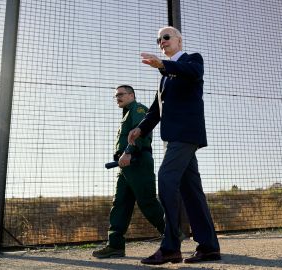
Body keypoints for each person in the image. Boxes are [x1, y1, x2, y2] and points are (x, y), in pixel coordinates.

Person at [128, 26, 220, 265]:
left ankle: (170, 247)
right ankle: (209, 247)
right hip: (173, 138)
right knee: (192, 191)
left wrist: (163, 65)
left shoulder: (192, 61)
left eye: (166, 37)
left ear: (179, 40)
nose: (162, 42)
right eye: (159, 40)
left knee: (166, 179)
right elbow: (156, 110)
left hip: (186, 135)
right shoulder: (165, 79)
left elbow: (191, 72)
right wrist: (140, 129)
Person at [92, 85, 165, 259]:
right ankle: (115, 245)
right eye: (116, 96)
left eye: (121, 94)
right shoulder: (126, 114)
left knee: (147, 201)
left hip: (138, 161)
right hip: (125, 164)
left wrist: (129, 152)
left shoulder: (139, 109)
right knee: (120, 203)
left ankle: (172, 234)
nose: (117, 97)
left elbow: (140, 132)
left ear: (131, 95)